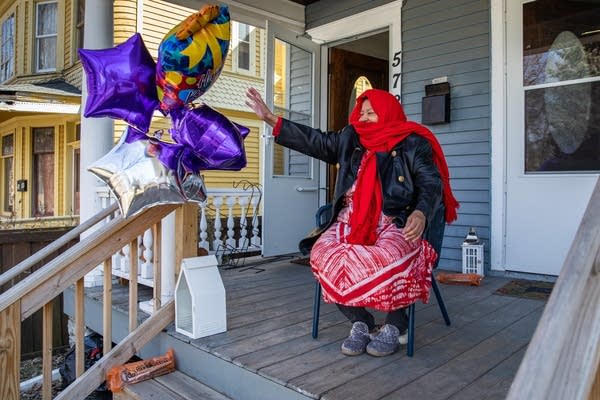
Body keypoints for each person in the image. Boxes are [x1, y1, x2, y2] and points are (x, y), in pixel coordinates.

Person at [246, 87, 459, 357]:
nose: (365, 117)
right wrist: (270, 118)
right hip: (350, 218)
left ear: (388, 112)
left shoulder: (413, 143)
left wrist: (421, 212)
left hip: (394, 219)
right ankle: (362, 322)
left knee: (391, 254)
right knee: (324, 256)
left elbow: (431, 183)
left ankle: (396, 324)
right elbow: (317, 141)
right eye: (363, 112)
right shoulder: (351, 138)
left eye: (372, 112)